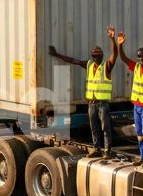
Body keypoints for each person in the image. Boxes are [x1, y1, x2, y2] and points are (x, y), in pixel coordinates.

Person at [50, 27, 118, 158]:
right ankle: (97, 149)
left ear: (102, 55)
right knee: (94, 128)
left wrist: (112, 39)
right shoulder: (89, 65)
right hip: (91, 104)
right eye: (93, 55)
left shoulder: (106, 66)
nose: (95, 57)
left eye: (98, 55)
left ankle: (107, 151)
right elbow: (73, 60)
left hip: (102, 104)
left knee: (105, 128)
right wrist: (57, 55)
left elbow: (114, 54)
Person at [114, 31, 143, 169]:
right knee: (139, 133)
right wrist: (120, 45)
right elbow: (123, 57)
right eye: (138, 56)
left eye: (142, 56)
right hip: (136, 104)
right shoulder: (136, 66)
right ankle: (142, 157)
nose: (140, 58)